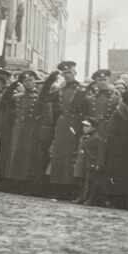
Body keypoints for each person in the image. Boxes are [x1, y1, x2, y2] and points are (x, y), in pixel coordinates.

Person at [47, 61, 83, 198]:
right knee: (58, 154)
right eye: (64, 73)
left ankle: (68, 189)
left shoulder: (81, 89)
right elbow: (48, 100)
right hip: (62, 123)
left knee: (70, 155)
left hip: (74, 123)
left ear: (75, 73)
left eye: (70, 72)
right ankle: (56, 187)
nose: (67, 75)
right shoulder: (60, 89)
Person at [104, 89, 128, 208]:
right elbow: (111, 131)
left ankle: (120, 198)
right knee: (118, 174)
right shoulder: (119, 112)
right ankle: (115, 198)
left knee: (123, 174)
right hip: (119, 148)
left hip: (126, 147)